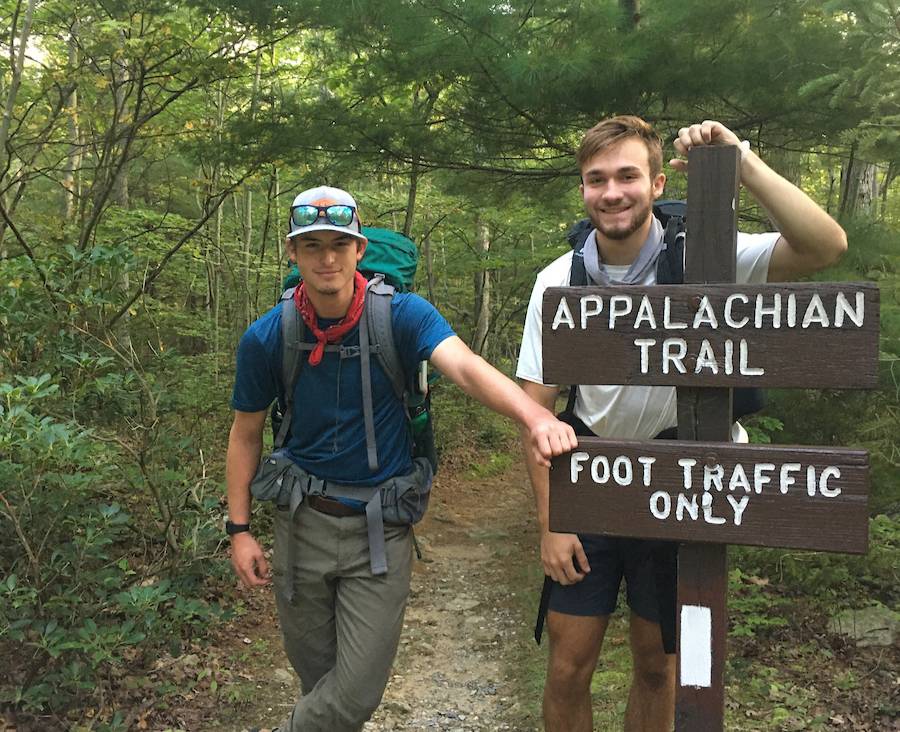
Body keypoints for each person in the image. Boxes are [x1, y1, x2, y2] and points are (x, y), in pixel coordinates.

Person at [516, 116, 847, 731]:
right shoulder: (556, 282)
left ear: (657, 181)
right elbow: (535, 409)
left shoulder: (705, 256)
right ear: (583, 190)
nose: (612, 192)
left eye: (627, 176)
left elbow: (823, 245)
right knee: (567, 664)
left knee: (657, 665)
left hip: (680, 478)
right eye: (596, 179)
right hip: (591, 478)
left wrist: (741, 161)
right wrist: (550, 524)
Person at [226, 185, 577, 732]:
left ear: (359, 249)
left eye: (338, 244)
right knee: (320, 686)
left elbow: (463, 366)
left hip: (380, 530)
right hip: (300, 526)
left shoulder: (403, 316)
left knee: (354, 695)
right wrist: (239, 528)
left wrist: (535, 417)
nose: (327, 258)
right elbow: (245, 435)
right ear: (292, 254)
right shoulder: (268, 336)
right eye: (311, 245)